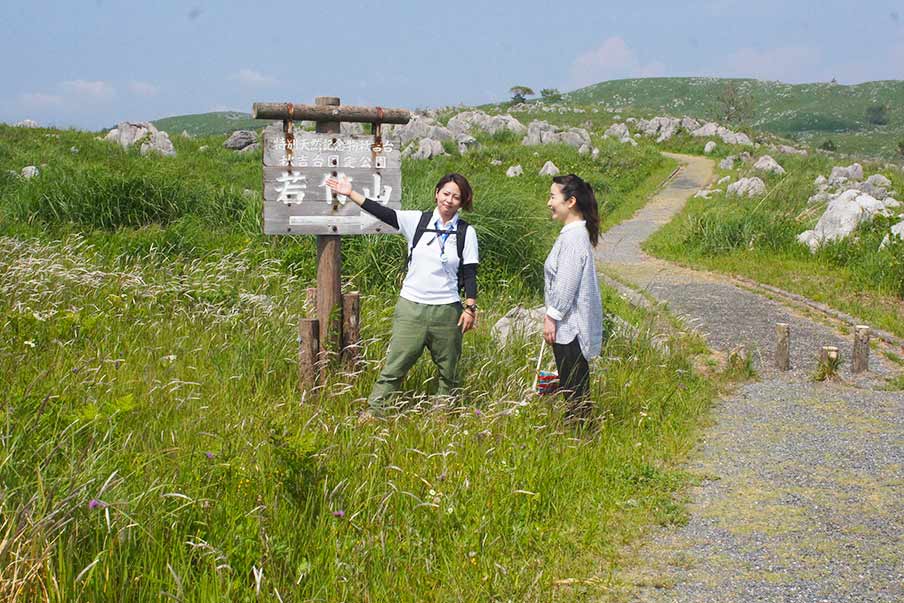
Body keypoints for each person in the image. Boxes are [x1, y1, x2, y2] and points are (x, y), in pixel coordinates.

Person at [325, 173, 479, 414]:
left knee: (449, 369)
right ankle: (375, 412)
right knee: (395, 365)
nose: (449, 200)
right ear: (436, 193)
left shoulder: (466, 232)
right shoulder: (417, 221)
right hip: (411, 308)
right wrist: (351, 193)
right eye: (446, 193)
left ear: (462, 202)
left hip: (448, 310)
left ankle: (443, 413)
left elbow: (470, 273)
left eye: (456, 197)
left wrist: (470, 308)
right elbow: (383, 213)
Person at [542, 174, 604, 421]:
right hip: (569, 327)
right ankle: (579, 432)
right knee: (573, 387)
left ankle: (581, 434)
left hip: (570, 328)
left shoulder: (574, 237)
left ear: (570, 202)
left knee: (575, 391)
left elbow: (566, 283)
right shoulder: (573, 234)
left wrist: (552, 316)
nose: (549, 202)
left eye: (552, 197)